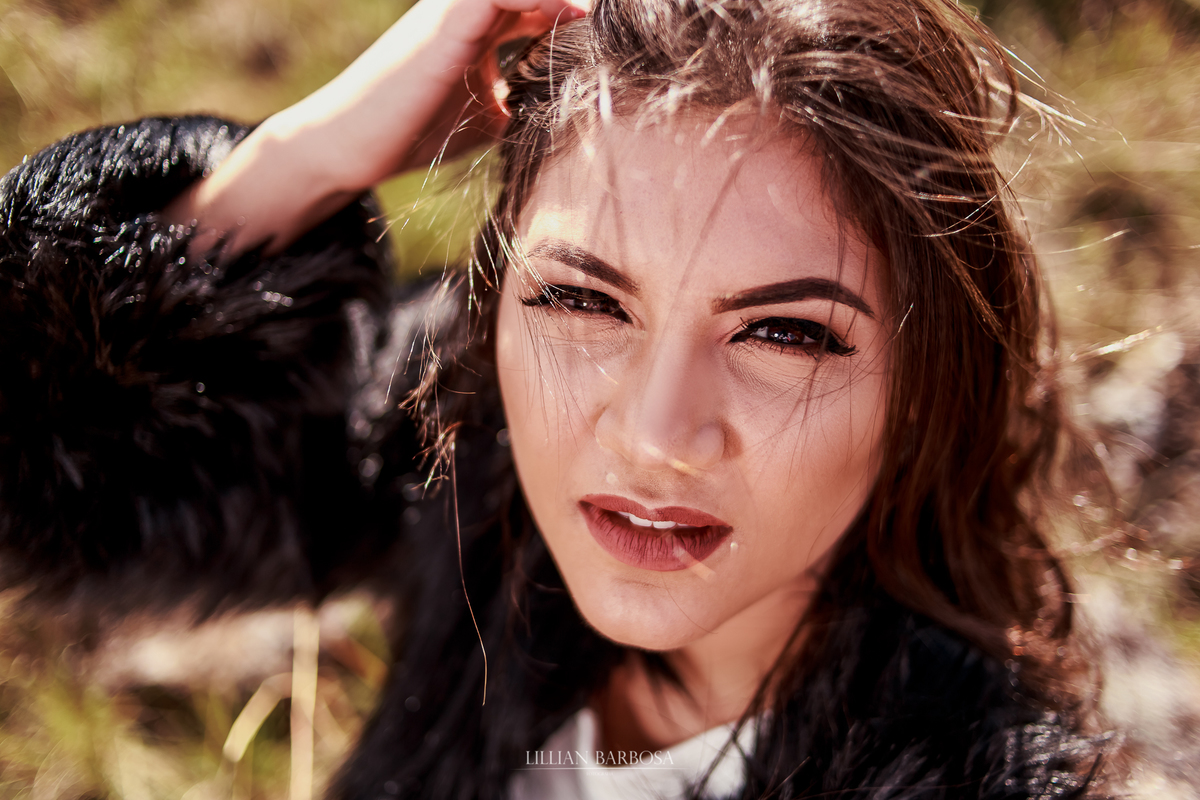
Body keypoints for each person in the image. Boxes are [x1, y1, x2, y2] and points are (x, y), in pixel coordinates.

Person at [0, 0, 1109, 797]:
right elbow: (53, 465)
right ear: (495, 304)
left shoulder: (969, 770)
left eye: (785, 332)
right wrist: (312, 154)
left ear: (922, 383)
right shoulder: (473, 474)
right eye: (584, 299)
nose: (655, 437)